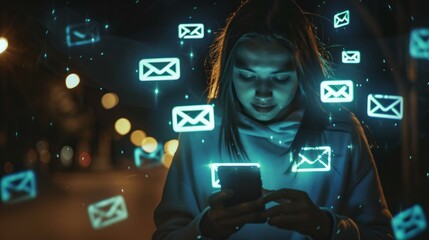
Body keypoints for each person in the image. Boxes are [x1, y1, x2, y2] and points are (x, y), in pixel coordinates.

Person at [153, 0, 393, 239]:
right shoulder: (201, 132)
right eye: (248, 76)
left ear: (303, 73)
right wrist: (205, 229)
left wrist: (326, 226)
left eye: (279, 78)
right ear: (229, 72)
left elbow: (382, 235)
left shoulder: (342, 133)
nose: (263, 92)